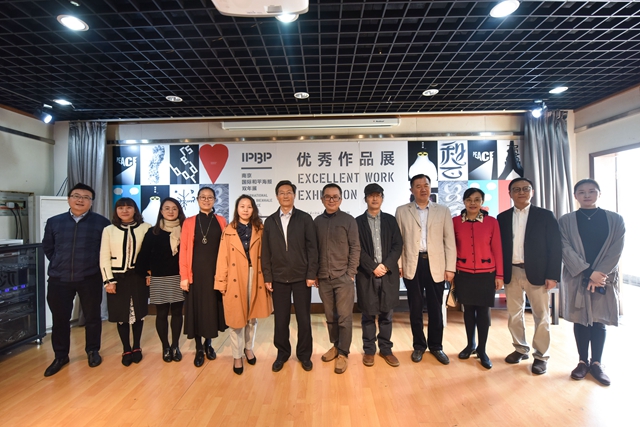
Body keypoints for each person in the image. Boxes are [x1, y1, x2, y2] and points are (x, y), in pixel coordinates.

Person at [559, 179, 625, 386]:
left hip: (604, 277)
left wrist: (599, 273)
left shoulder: (615, 219)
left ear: (599, 194)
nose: (587, 195)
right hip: (577, 275)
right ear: (575, 196)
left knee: (598, 320)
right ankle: (582, 362)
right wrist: (588, 272)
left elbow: (616, 249)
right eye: (581, 192)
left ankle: (596, 363)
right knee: (580, 320)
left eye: (591, 191)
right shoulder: (566, 220)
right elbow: (564, 248)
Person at [42, 183, 110, 377]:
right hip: (59, 279)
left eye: (86, 197)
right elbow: (48, 248)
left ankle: (92, 350)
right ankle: (61, 356)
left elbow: (105, 250)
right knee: (60, 319)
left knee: (92, 317)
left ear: (91, 202)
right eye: (76, 196)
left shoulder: (101, 223)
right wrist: (60, 263)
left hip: (90, 277)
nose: (80, 200)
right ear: (69, 199)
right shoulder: (54, 222)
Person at [497, 177, 562, 375]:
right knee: (514, 313)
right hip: (512, 271)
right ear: (510, 193)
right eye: (516, 189)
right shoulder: (502, 217)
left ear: (532, 192)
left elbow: (555, 247)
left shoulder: (545, 216)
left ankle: (541, 356)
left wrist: (552, 275)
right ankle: (520, 348)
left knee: (541, 315)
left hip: (539, 273)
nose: (521, 192)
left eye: (526, 189)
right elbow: (499, 248)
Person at [395, 174, 456, 365]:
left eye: (426, 185)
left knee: (436, 308)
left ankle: (436, 346)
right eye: (418, 186)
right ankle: (419, 346)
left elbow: (449, 241)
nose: (423, 189)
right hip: (412, 264)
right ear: (411, 190)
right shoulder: (402, 211)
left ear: (430, 188)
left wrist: (450, 267)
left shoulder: (442, 210)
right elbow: (398, 241)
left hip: (436, 264)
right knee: (415, 307)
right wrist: (399, 264)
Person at [262, 180, 318, 373]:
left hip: (302, 278)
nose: (285, 196)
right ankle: (282, 353)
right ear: (277, 196)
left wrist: (311, 273)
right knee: (281, 319)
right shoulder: (270, 221)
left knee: (303, 319)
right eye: (282, 193)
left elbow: (312, 249)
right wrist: (267, 276)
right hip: (278, 278)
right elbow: (266, 251)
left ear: (294, 195)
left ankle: (304, 355)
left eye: (289, 192)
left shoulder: (305, 219)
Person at [215, 195, 273, 375]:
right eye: (242, 206)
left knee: (252, 317)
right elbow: (222, 258)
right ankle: (236, 356)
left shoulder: (260, 229)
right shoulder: (228, 230)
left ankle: (248, 348)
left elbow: (268, 255)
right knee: (236, 319)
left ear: (253, 209)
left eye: (249, 206)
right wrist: (221, 281)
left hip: (256, 275)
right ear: (237, 209)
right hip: (235, 277)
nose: (246, 209)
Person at [452, 188, 504, 370]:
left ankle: (482, 349)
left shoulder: (491, 222)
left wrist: (499, 275)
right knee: (467, 311)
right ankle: (470, 344)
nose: (472, 203)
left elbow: (497, 249)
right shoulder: (455, 222)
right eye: (469, 200)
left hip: (486, 274)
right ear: (464, 202)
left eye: (477, 200)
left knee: (483, 311)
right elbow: (451, 248)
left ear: (482, 202)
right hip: (463, 273)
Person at [355, 183, 403, 367]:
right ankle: (369, 350)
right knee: (368, 314)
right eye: (371, 195)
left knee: (386, 314)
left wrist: (386, 265)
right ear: (365, 198)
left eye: (378, 195)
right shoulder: (357, 222)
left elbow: (397, 245)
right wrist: (373, 267)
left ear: (382, 198)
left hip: (388, 274)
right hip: (367, 274)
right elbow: (356, 249)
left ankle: (386, 349)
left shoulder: (390, 220)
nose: (374, 198)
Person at [314, 183, 360, 374]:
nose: (331, 200)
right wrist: (315, 273)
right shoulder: (317, 222)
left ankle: (343, 353)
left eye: (335, 197)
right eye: (328, 196)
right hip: (324, 277)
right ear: (322, 199)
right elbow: (313, 250)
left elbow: (355, 247)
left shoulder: (348, 220)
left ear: (341, 199)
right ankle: (335, 345)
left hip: (343, 277)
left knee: (344, 317)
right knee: (330, 316)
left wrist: (350, 273)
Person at [179, 187, 227, 367]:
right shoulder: (189, 222)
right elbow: (184, 250)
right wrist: (184, 276)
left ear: (215, 200)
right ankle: (199, 347)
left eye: (210, 197)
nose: (206, 200)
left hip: (215, 274)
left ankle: (209, 344)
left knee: (211, 310)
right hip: (196, 274)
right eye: (203, 197)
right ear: (198, 199)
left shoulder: (221, 221)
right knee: (197, 310)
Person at [100, 198, 151, 366]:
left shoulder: (146, 228)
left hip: (139, 277)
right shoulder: (109, 230)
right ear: (116, 211)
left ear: (135, 210)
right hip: (117, 278)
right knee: (121, 314)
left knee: (138, 313)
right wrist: (108, 281)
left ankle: (136, 346)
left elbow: (150, 253)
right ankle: (126, 348)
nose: (125, 211)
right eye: (121, 208)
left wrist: (149, 273)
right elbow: (104, 257)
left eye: (129, 207)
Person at [136, 197, 186, 363]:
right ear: (161, 211)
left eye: (174, 208)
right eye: (167, 208)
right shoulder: (153, 232)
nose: (170, 211)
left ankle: (175, 346)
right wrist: (147, 273)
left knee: (177, 313)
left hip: (179, 278)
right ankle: (165, 346)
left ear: (179, 211)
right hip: (159, 278)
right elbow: (143, 256)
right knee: (162, 314)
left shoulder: (185, 230)